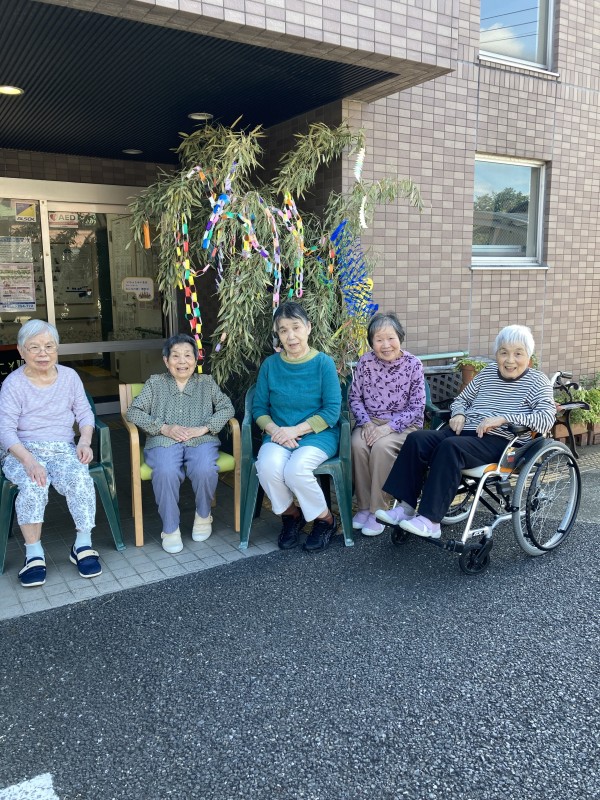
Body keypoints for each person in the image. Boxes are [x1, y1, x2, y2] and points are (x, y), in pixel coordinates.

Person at [376, 325, 556, 539]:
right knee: (416, 439)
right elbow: (461, 399)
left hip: (500, 441)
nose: (510, 360)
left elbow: (547, 418)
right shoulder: (488, 373)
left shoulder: (537, 381)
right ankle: (405, 507)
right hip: (464, 432)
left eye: (518, 354)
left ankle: (430, 521)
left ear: (529, 357)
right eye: (504, 353)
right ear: (496, 354)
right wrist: (459, 413)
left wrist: (504, 418)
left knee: (450, 447)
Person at [0, 320, 100, 587]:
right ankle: (34, 554)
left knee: (80, 478)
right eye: (34, 347)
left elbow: (85, 413)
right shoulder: (13, 384)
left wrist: (84, 441)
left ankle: (82, 545)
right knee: (34, 484)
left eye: (49, 346)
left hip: (62, 447)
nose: (43, 353)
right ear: (21, 351)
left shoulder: (69, 377)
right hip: (23, 451)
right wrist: (29, 461)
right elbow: (5, 431)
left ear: (56, 348)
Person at [126, 334, 234, 554]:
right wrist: (164, 428)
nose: (182, 361)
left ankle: (203, 515)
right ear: (166, 361)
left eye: (188, 355)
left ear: (196, 359)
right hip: (163, 440)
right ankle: (170, 528)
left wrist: (204, 428)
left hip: (201, 439)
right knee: (165, 471)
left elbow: (227, 408)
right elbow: (133, 412)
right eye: (175, 356)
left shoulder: (206, 383)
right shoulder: (155, 383)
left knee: (204, 468)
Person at [253, 301, 341, 553]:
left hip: (317, 435)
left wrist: (295, 430)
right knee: (267, 466)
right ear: (277, 334)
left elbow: (331, 411)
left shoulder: (323, 363)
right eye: (283, 330)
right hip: (279, 434)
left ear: (308, 328)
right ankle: (292, 515)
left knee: (296, 470)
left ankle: (325, 520)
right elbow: (259, 409)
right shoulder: (270, 365)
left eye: (296, 327)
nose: (290, 336)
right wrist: (276, 431)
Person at [349, 312, 425, 536]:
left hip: (403, 426)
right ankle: (364, 507)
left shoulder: (413, 364)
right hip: (371, 422)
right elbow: (354, 398)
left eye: (390, 338)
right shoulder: (365, 362)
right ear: (371, 342)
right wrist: (366, 424)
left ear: (400, 337)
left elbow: (417, 407)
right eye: (379, 339)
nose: (385, 345)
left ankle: (378, 510)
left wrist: (388, 428)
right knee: (357, 445)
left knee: (381, 448)